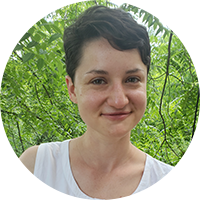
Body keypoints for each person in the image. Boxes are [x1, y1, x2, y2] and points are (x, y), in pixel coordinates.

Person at [0, 6, 191, 200]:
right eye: (98, 81)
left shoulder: (169, 189)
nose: (118, 100)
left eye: (132, 79)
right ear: (72, 89)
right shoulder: (36, 169)